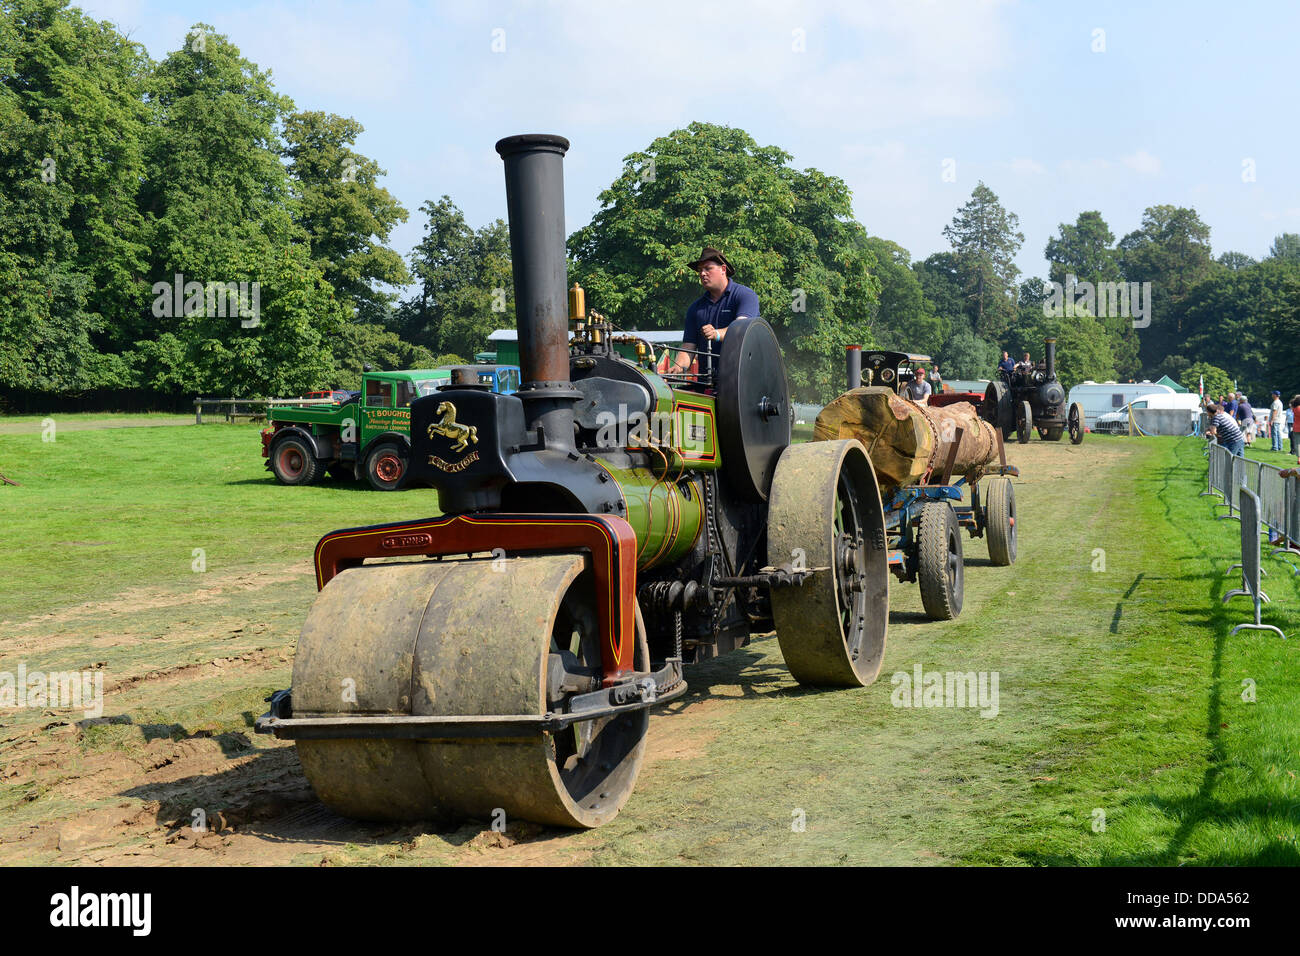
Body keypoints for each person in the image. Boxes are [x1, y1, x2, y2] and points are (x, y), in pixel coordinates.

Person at [671, 246, 760, 376]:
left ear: (723, 269)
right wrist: (677, 368)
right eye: (700, 270)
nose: (702, 273)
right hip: (707, 384)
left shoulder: (745, 295)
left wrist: (716, 334)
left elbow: (741, 330)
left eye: (708, 268)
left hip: (742, 382)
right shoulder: (695, 308)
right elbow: (688, 347)